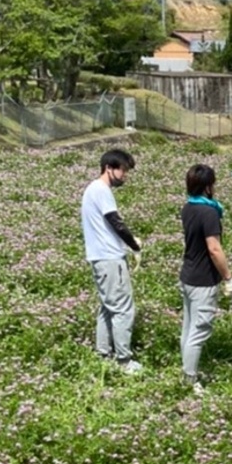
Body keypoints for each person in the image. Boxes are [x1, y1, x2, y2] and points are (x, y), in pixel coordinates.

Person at [80, 148, 143, 374]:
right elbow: (115, 221)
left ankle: (103, 353)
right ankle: (124, 360)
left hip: (100, 257)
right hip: (109, 258)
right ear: (109, 168)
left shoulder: (92, 190)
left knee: (108, 307)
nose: (125, 175)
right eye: (123, 170)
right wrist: (134, 245)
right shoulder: (102, 190)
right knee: (123, 309)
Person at [178, 164, 232, 393]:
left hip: (188, 275)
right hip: (203, 279)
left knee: (188, 327)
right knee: (199, 330)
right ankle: (190, 380)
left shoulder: (188, 207)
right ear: (208, 185)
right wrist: (228, 277)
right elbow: (214, 248)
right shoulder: (209, 212)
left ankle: (187, 370)